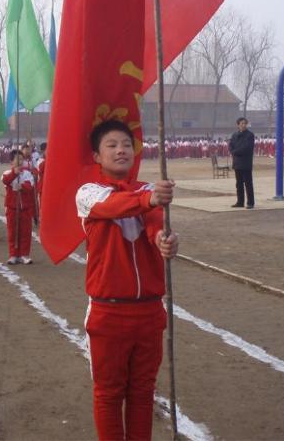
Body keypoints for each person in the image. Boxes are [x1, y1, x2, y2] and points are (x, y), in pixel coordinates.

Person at [76, 119, 178, 441]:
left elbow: (153, 227)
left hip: (149, 312)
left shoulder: (148, 192)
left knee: (143, 392)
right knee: (108, 393)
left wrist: (165, 240)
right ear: (97, 156)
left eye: (126, 144)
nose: (121, 150)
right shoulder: (88, 194)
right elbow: (113, 206)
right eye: (112, 145)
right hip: (109, 313)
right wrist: (149, 200)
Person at [1, 149, 35, 264]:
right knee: (12, 232)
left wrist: (22, 186)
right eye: (17, 159)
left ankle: (24, 254)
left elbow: (30, 186)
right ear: (11, 162)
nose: (20, 161)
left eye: (21, 159)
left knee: (25, 232)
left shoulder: (27, 174)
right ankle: (13, 254)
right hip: (12, 207)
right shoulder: (7, 173)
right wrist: (14, 173)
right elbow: (5, 181)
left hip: (25, 208)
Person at [229, 117, 255, 209]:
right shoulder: (234, 135)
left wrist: (236, 152)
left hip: (246, 162)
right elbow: (230, 146)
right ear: (238, 125)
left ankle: (250, 202)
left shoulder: (250, 135)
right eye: (242, 123)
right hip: (237, 163)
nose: (243, 125)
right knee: (238, 184)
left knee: (248, 184)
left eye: (245, 123)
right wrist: (233, 151)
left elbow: (247, 148)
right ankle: (240, 202)